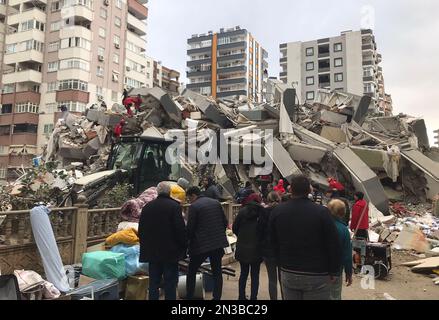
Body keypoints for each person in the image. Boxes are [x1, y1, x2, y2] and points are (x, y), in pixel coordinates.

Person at [270, 175, 341, 300]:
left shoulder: (278, 211)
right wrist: (334, 270)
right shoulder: (322, 212)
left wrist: (280, 263)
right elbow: (333, 243)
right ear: (310, 190)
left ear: (290, 190)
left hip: (288, 271)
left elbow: (272, 241)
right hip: (318, 273)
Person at [138, 182, 187, 300]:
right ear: (169, 192)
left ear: (157, 192)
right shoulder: (174, 206)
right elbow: (180, 229)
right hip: (170, 252)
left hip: (152, 252)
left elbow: (141, 230)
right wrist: (184, 245)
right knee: (170, 282)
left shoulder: (147, 207)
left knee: (153, 282)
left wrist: (146, 245)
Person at [186, 187, 229, 300]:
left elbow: (190, 228)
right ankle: (216, 297)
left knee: (191, 271)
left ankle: (190, 296)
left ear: (193, 195)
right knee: (217, 272)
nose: (189, 201)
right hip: (217, 244)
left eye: (189, 198)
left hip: (201, 245)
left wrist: (188, 243)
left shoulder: (194, 207)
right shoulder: (216, 203)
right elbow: (225, 222)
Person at [233, 193, 264, 300]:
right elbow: (264, 231)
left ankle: (241, 297)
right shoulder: (261, 213)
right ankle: (253, 298)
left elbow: (234, 228)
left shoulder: (242, 211)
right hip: (257, 248)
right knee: (255, 275)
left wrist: (242, 236)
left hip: (242, 247)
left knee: (243, 273)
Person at [327, 199, 353, 300]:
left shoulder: (320, 224)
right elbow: (346, 255)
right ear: (342, 212)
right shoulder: (343, 230)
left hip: (318, 270)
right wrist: (349, 272)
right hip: (335, 270)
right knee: (334, 295)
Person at [259, 191, 282, 300]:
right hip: (282, 249)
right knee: (283, 278)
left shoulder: (264, 211)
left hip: (268, 249)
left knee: (272, 279)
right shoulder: (283, 211)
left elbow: (260, 229)